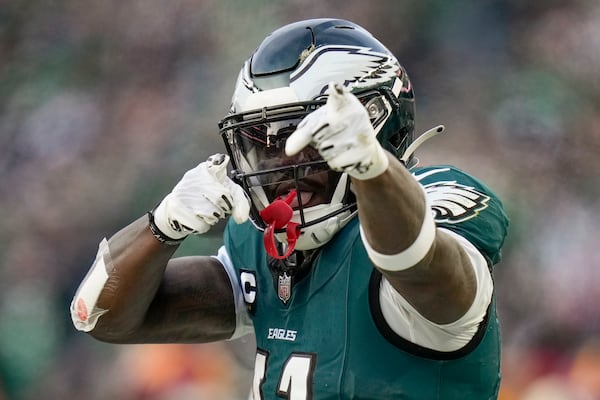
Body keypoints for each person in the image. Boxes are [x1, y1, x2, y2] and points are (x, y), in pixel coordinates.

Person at [71, 18, 509, 399]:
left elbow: (419, 264)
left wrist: (375, 172)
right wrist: (162, 227)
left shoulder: (437, 199)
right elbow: (100, 316)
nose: (280, 166)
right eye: (262, 144)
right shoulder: (265, 245)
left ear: (373, 122)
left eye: (299, 136)